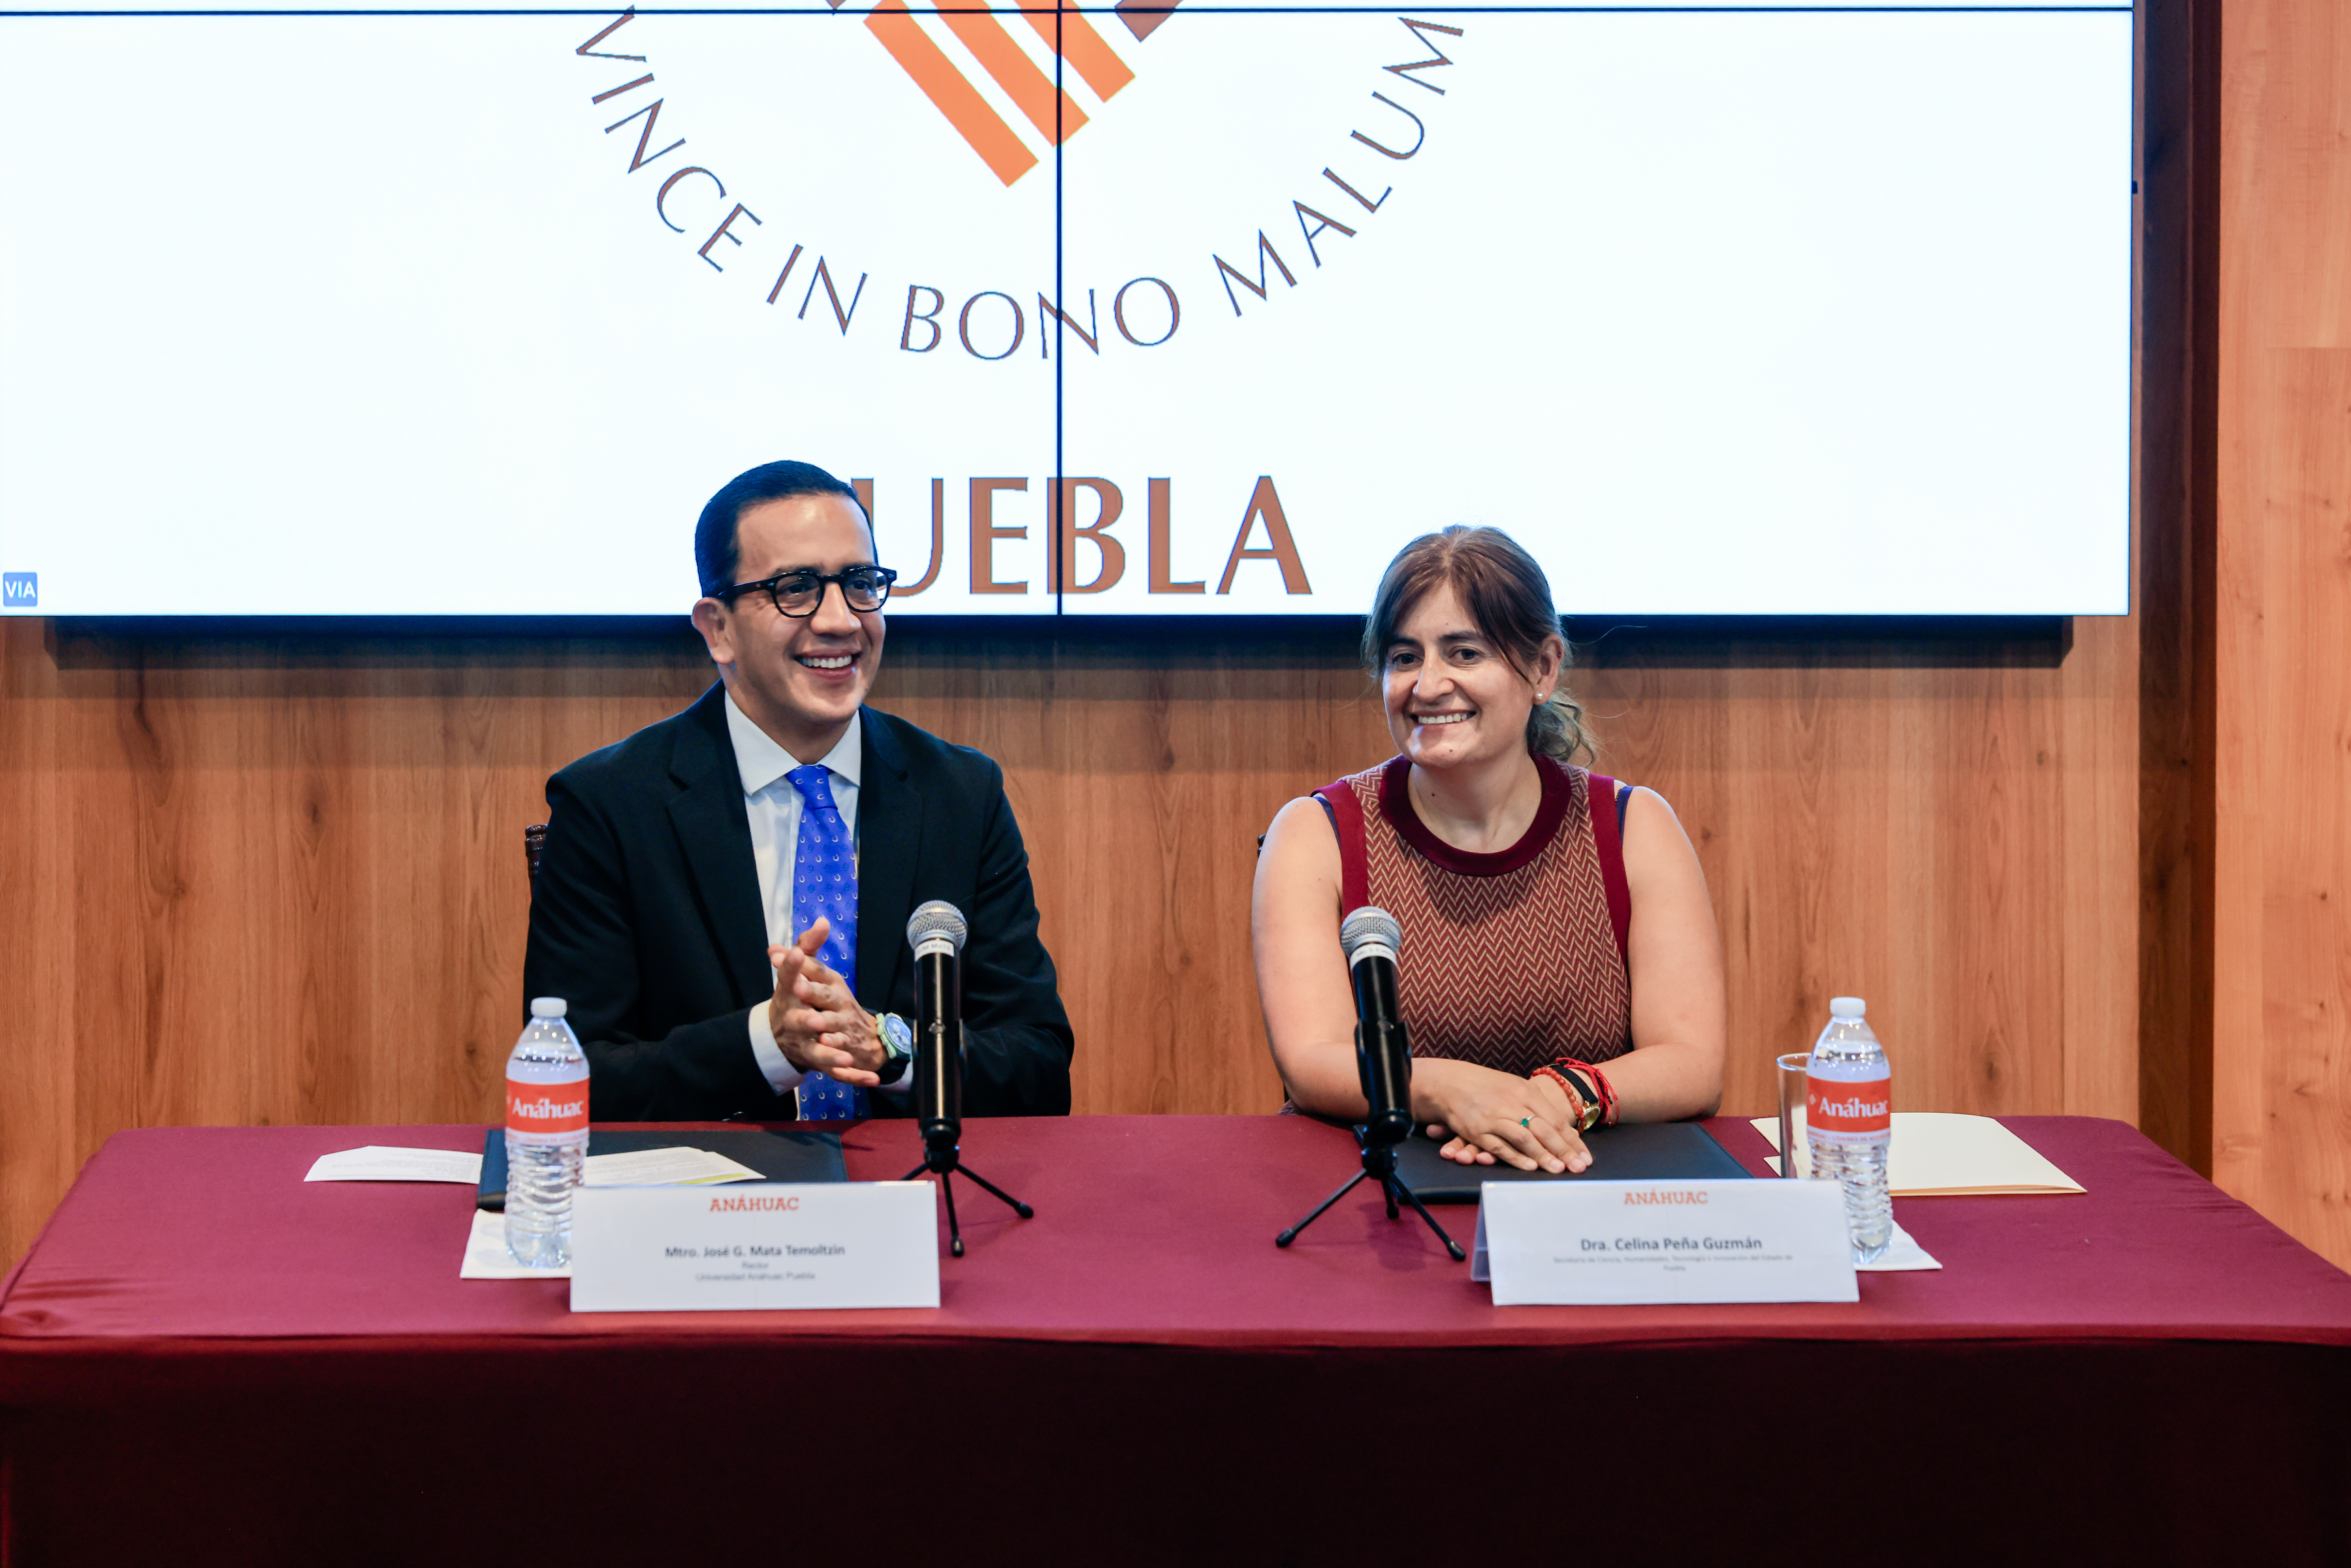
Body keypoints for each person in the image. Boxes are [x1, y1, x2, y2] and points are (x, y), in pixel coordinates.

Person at [523, 460, 1074, 1121]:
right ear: (718, 629)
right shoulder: (610, 804)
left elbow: (1039, 1066)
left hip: (913, 1198)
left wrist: (889, 1047)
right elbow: (574, 1078)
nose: (841, 620)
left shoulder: (960, 794)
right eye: (796, 588)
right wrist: (769, 1042)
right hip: (706, 1206)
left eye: (861, 583)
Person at [1251, 526, 1724, 1173]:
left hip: (1583, 1181)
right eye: (1405, 656)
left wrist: (1552, 1099)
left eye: (1465, 653)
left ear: (1544, 668)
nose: (1428, 684)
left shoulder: (1633, 825)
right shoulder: (1315, 832)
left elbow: (1692, 1060)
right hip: (1376, 1199)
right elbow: (1313, 1059)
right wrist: (1454, 1091)